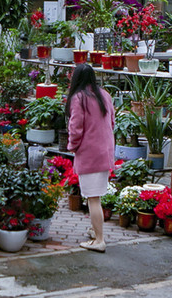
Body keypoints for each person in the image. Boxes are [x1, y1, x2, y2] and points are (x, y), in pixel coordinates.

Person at [65, 64, 116, 253]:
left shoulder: (79, 98)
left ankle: (100, 240)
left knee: (93, 199)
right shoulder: (104, 95)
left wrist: (72, 146)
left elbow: (75, 127)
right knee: (97, 197)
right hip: (105, 151)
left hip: (89, 153)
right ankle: (96, 232)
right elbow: (112, 121)